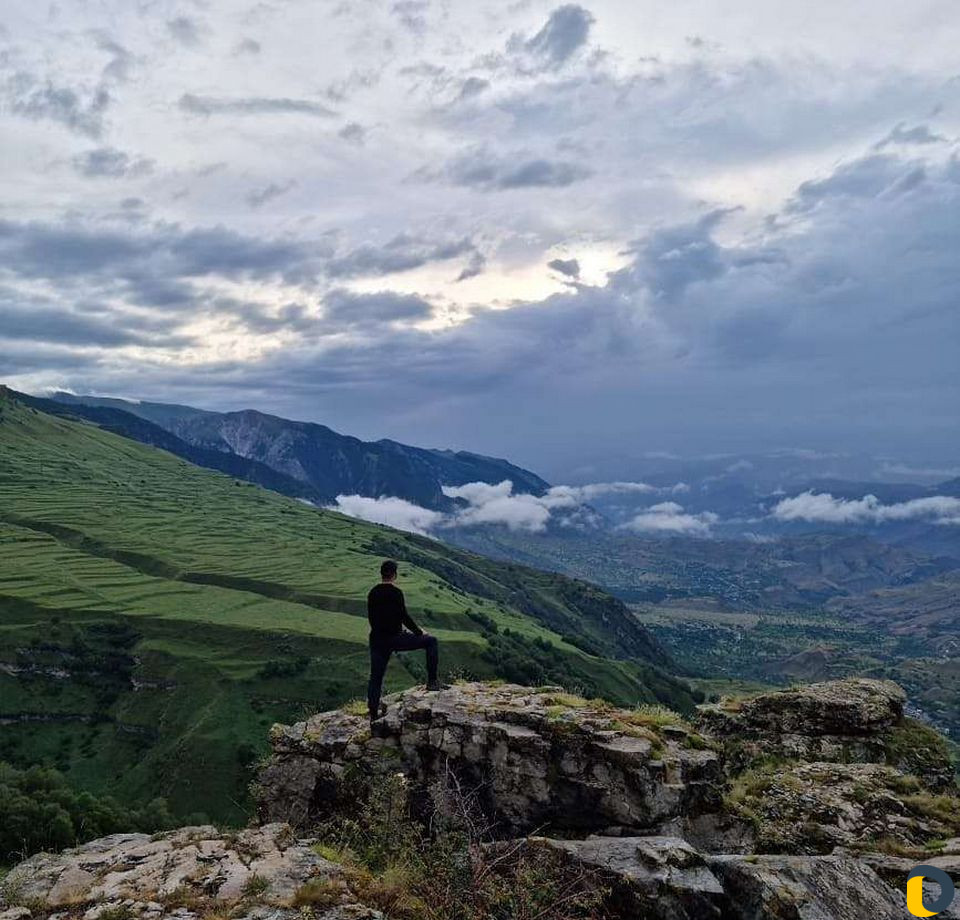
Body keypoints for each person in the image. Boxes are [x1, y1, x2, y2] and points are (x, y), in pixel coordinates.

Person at [367, 559, 440, 721]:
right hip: (396, 638)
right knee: (431, 641)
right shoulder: (396, 593)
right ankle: (432, 682)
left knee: (376, 677)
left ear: (381, 574)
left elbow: (372, 619)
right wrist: (419, 632)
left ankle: (373, 715)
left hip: (378, 640)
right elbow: (404, 617)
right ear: (394, 575)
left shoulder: (372, 593)